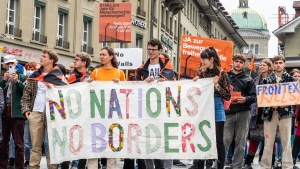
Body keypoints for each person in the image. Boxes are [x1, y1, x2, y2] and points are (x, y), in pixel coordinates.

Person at [21, 49, 67, 169]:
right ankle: (33, 167)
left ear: (51, 60)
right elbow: (26, 95)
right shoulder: (35, 75)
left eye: (44, 56)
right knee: (35, 146)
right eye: (41, 56)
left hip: (53, 114)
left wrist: (54, 88)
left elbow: (66, 95)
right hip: (35, 113)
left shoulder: (59, 77)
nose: (41, 58)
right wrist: (26, 112)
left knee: (52, 145)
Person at [136, 39, 177, 169]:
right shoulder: (141, 69)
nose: (151, 52)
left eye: (154, 49)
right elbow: (134, 87)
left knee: (165, 139)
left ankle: (167, 167)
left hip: (164, 109)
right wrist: (143, 83)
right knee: (148, 139)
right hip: (147, 109)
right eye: (149, 49)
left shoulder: (169, 70)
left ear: (160, 51)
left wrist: (165, 82)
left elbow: (176, 87)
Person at [190, 47, 231, 169]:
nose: (203, 62)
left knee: (218, 140)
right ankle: (200, 166)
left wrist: (216, 85)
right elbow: (197, 91)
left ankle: (219, 166)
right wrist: (195, 82)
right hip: (204, 106)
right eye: (202, 59)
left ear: (212, 59)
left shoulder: (222, 74)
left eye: (205, 59)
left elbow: (227, 95)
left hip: (217, 105)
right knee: (202, 138)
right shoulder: (201, 72)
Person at [87, 47, 125, 169]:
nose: (101, 57)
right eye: (100, 54)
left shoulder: (119, 73)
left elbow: (125, 94)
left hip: (112, 114)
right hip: (97, 113)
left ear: (111, 56)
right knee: (94, 142)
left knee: (111, 143)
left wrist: (119, 84)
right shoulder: (96, 72)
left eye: (104, 54)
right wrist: (88, 85)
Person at [260, 55, 295, 169]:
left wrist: (287, 103)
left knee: (286, 142)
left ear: (284, 64)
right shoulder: (266, 80)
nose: (278, 65)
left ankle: (287, 166)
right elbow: (261, 97)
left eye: (280, 63)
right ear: (273, 65)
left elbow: (295, 97)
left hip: (285, 114)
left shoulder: (291, 80)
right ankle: (265, 166)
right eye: (276, 63)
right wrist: (270, 103)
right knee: (268, 142)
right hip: (270, 114)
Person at [223, 54, 256, 169]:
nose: (238, 64)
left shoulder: (249, 79)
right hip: (228, 112)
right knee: (225, 140)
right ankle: (219, 164)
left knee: (240, 141)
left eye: (241, 62)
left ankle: (237, 166)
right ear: (232, 62)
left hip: (243, 113)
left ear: (244, 64)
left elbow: (254, 97)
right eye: (236, 61)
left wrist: (245, 99)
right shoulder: (225, 77)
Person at [244, 59, 275, 168]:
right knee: (254, 137)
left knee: (270, 138)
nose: (261, 67)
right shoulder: (255, 80)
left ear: (269, 67)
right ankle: (248, 161)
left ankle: (271, 161)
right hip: (257, 112)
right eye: (260, 65)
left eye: (264, 65)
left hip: (270, 112)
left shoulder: (274, 79)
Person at [0, 55, 27, 169]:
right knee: (2, 143)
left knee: (19, 144)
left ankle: (19, 166)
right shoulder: (3, 78)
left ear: (16, 64)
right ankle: (2, 166)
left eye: (12, 63)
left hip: (17, 113)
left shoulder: (23, 77)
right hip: (4, 112)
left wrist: (17, 82)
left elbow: (25, 94)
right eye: (7, 64)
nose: (10, 66)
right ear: (5, 66)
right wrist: (3, 81)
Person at [23, 62, 38, 168]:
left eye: (33, 69)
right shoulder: (28, 81)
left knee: (42, 143)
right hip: (31, 114)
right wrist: (26, 110)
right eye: (29, 69)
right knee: (27, 140)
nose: (31, 71)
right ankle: (28, 161)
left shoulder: (39, 80)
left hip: (43, 114)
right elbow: (25, 96)